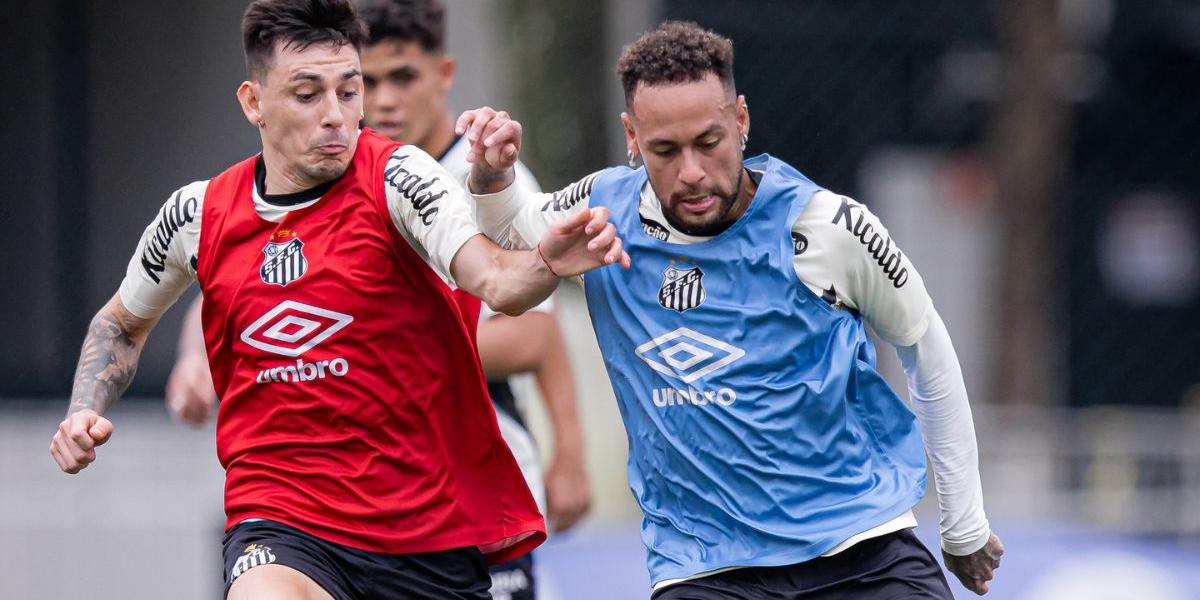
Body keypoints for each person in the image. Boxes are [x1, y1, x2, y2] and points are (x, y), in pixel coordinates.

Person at [47, 1, 628, 598]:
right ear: (253, 102)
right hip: (281, 520)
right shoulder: (197, 214)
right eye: (307, 95)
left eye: (348, 92)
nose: (334, 116)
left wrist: (547, 261)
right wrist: (84, 407)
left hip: (425, 533)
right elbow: (121, 323)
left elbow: (498, 283)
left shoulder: (402, 177)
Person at [460, 21, 1004, 599]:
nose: (692, 172)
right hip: (703, 568)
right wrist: (491, 175)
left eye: (709, 142)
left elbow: (925, 346)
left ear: (740, 120)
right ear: (632, 137)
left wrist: (963, 522)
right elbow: (511, 232)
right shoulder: (601, 214)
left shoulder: (825, 225)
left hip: (858, 547)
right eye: (665, 151)